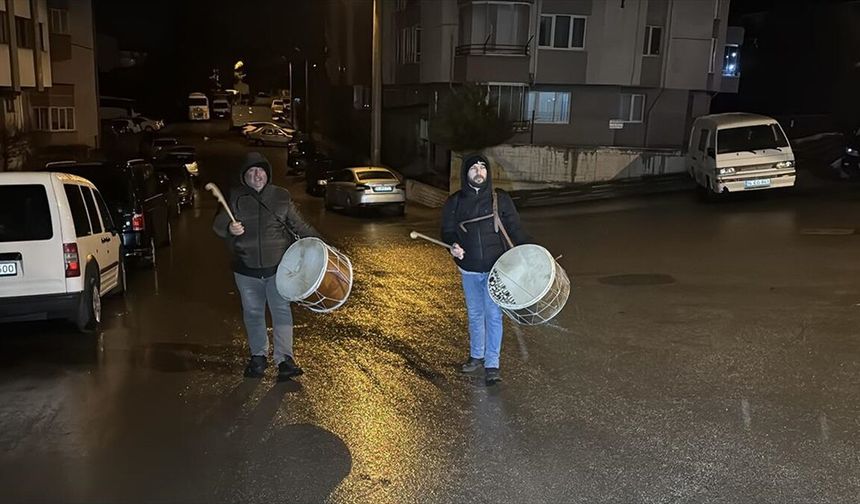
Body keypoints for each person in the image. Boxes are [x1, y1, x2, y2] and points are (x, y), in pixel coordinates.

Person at [214, 152, 320, 381]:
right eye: (251, 172)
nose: (256, 175)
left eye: (260, 170)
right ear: (245, 177)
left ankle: (284, 360)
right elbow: (218, 225)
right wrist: (229, 229)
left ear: (267, 174)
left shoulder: (281, 197)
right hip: (246, 269)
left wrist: (323, 248)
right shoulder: (236, 198)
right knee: (253, 313)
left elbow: (300, 225)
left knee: (281, 312)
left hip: (278, 270)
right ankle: (258, 356)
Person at [441, 154, 530, 385]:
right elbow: (447, 231)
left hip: (496, 269)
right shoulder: (455, 201)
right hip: (469, 269)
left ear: (487, 173)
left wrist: (531, 254)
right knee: (475, 315)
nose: (479, 172)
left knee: (493, 315)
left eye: (483, 168)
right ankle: (476, 356)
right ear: (466, 173)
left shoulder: (500, 199)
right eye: (474, 168)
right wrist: (453, 246)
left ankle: (492, 364)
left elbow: (515, 230)